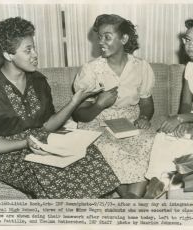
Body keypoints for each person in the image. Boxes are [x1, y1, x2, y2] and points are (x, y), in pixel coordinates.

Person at [0, 16, 120, 199]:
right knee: (52, 170)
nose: (35, 55)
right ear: (8, 55)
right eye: (28, 50)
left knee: (88, 153)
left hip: (41, 140)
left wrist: (74, 102)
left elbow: (48, 126)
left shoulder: (38, 81)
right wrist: (26, 143)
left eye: (34, 48)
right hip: (8, 152)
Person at [73, 14, 156, 198]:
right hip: (98, 122)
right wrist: (99, 105)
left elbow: (147, 105)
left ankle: (129, 200)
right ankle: (133, 200)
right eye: (99, 37)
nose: (100, 42)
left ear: (124, 39)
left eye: (107, 37)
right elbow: (79, 115)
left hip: (131, 121)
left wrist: (144, 117)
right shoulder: (91, 69)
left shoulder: (141, 67)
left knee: (150, 142)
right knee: (107, 148)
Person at [145, 18, 193, 188]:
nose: (190, 45)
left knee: (192, 148)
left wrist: (181, 118)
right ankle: (156, 186)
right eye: (187, 40)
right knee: (164, 137)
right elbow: (186, 103)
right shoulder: (190, 67)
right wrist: (185, 119)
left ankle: (179, 189)